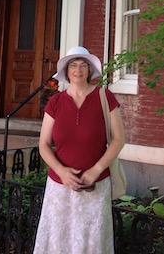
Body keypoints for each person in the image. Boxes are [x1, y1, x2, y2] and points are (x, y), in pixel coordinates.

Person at [33, 45, 125, 254]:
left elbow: (119, 139)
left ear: (90, 70)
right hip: (60, 187)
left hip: (96, 186)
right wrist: (61, 171)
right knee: (58, 242)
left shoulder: (105, 97)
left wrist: (96, 169)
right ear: (66, 71)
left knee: (92, 244)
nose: (78, 69)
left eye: (83, 65)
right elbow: (44, 145)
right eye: (73, 65)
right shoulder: (55, 102)